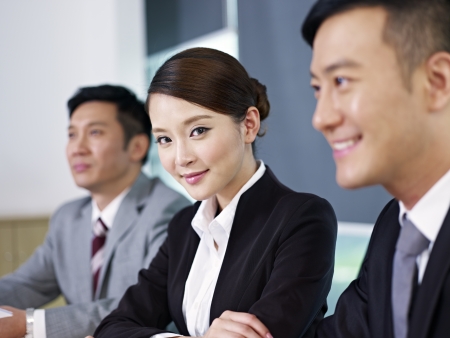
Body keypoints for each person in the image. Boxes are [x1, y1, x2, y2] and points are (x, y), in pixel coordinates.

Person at [91, 48, 337, 338]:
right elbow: (113, 327)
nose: (181, 157)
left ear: (248, 125)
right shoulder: (184, 226)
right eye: (165, 139)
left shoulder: (302, 219)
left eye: (198, 130)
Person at [302, 0, 450, 337]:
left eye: (341, 81)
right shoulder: (394, 226)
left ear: (437, 81)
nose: (321, 118)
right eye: (317, 88)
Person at [0, 84, 191, 338]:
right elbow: (26, 284)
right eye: (71, 134)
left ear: (137, 147)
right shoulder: (67, 218)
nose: (77, 148)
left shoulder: (168, 210)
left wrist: (31, 324)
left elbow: (144, 305)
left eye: (95, 133)